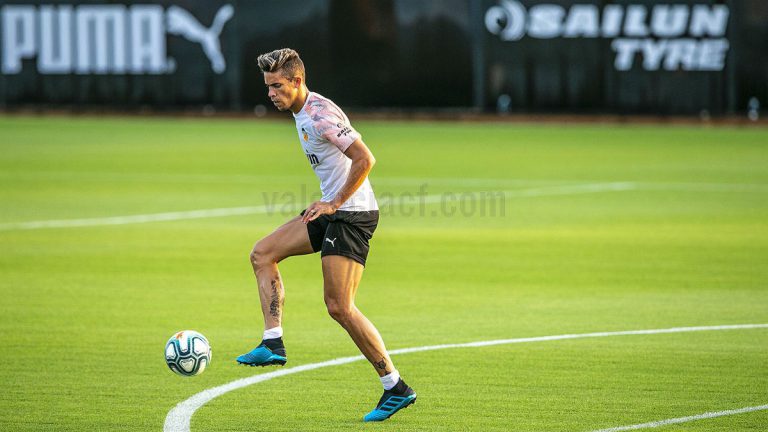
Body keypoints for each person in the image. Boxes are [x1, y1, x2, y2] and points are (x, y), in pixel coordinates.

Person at [236, 48, 416, 422]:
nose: (270, 94)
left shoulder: (319, 114)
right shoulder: (302, 111)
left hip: (352, 215)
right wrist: (328, 203)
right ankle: (273, 343)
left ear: (297, 81)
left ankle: (394, 386)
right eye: (268, 86)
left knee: (339, 306)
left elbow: (365, 159)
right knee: (262, 253)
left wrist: (333, 202)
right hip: (331, 210)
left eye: (277, 86)